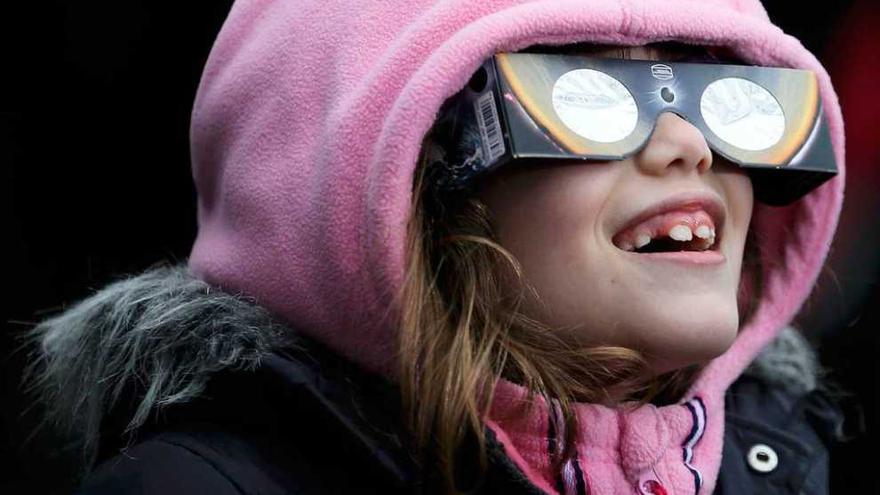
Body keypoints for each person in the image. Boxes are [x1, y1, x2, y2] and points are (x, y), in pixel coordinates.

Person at [25, 0, 846, 493]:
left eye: (719, 86)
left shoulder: (784, 464)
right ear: (407, 185)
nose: (687, 144)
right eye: (587, 95)